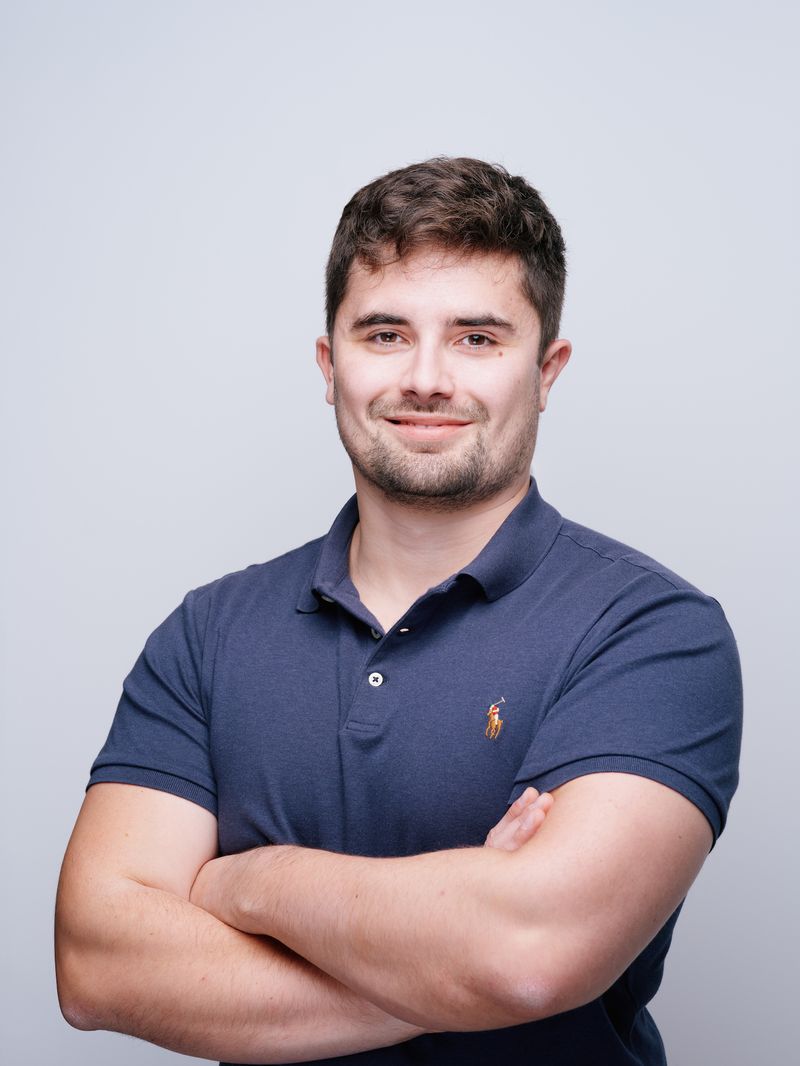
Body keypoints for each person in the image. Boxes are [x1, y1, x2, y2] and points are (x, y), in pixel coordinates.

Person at [55, 157, 742, 1066]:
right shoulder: (207, 633)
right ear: (328, 363)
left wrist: (247, 882)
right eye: (385, 334)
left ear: (546, 370)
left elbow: (529, 955)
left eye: (477, 338)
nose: (425, 378)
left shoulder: (651, 631)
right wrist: (458, 955)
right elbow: (96, 965)